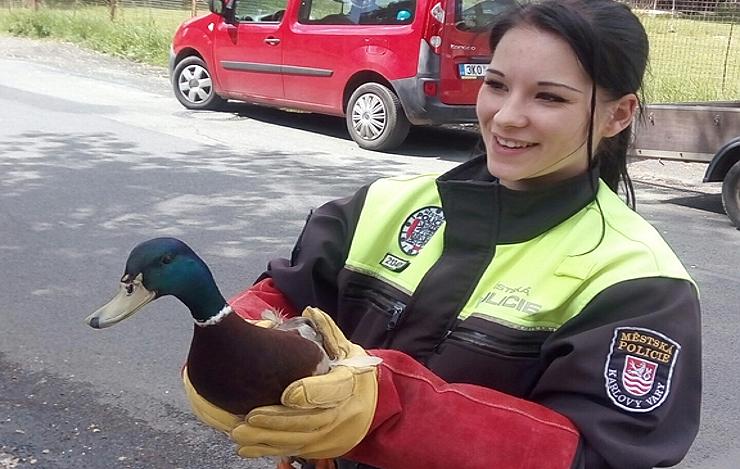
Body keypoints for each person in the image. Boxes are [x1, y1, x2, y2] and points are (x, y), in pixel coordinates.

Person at [184, 0, 702, 467]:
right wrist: (231, 340)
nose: (506, 116)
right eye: (496, 84)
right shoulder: (383, 205)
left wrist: (389, 411)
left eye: (549, 98)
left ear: (618, 114)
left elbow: (593, 454)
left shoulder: (638, 282)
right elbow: (286, 297)